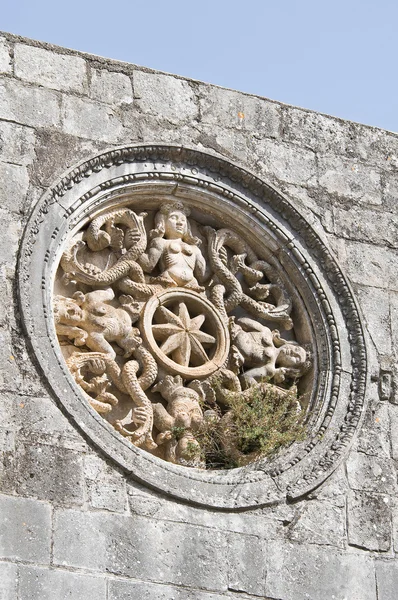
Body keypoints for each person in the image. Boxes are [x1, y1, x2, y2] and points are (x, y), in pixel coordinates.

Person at [137, 202, 207, 289]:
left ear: (187, 226)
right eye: (173, 218)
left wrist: (215, 255)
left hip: (192, 284)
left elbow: (203, 276)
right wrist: (135, 244)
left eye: (183, 220)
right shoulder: (160, 242)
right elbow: (148, 265)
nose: (180, 223)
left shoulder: (195, 249)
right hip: (166, 281)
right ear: (162, 222)